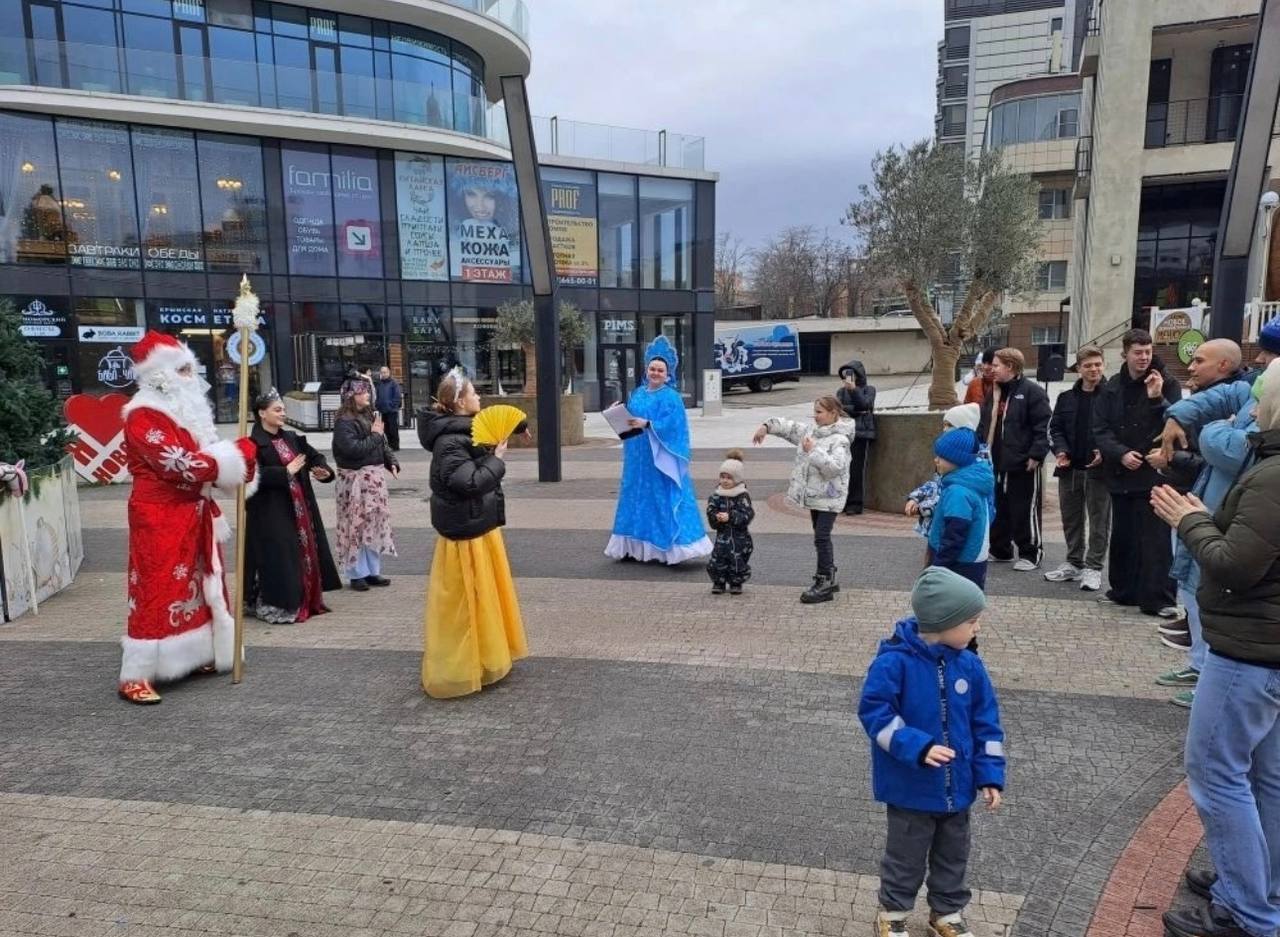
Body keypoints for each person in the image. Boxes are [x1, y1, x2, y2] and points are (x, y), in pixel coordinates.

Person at [1151, 357, 1280, 937]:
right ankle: (1254, 887)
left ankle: (1248, 913)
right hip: (1268, 650)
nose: (1253, 408)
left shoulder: (1273, 475)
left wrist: (1192, 520)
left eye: (1260, 399)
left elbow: (1237, 564)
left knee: (1216, 775)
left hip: (1249, 651)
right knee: (1266, 778)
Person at [859, 566, 1005, 937]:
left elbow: (986, 723)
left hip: (958, 791)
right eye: (971, 621)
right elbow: (876, 713)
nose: (977, 628)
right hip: (910, 789)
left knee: (953, 856)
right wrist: (917, 746)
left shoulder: (970, 664)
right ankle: (892, 914)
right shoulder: (894, 663)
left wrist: (989, 774)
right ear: (943, 623)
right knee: (905, 858)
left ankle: (947, 913)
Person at [117, 331, 256, 705]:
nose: (189, 377)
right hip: (158, 516)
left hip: (194, 512)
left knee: (198, 581)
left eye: (190, 369)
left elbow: (205, 457)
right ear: (156, 374)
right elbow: (178, 464)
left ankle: (195, 654)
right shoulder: (143, 416)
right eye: (181, 370)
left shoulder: (188, 414)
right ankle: (137, 671)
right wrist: (231, 459)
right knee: (157, 586)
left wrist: (238, 459)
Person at [1151, 338, 1269, 708]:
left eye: (1270, 353)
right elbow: (1215, 402)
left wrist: (1214, 428)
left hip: (1236, 516)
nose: (1261, 358)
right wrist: (1177, 416)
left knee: (1217, 592)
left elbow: (1236, 451)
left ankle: (1211, 679)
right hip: (1212, 507)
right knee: (1195, 591)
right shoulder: (1256, 385)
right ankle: (1200, 665)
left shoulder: (1269, 391)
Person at [417, 367, 528, 699]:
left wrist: (517, 425)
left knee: (482, 599)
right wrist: (498, 460)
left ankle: (484, 659)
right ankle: (459, 667)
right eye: (474, 394)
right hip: (465, 532)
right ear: (460, 402)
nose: (480, 397)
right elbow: (468, 482)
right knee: (466, 602)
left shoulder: (466, 431)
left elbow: (492, 426)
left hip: (477, 526)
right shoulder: (451, 442)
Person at [1093, 328, 1183, 617]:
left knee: (1155, 540)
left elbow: (1177, 421)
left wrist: (1157, 398)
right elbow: (1100, 428)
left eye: (1148, 352)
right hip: (1121, 472)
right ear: (1125, 354)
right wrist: (1120, 453)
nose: (1144, 357)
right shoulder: (1112, 386)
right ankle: (1123, 592)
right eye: (1138, 352)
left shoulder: (1167, 382)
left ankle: (1160, 598)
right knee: (1123, 537)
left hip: (1155, 473)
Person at [605, 335, 712, 565]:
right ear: (647, 370)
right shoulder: (638, 393)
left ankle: (670, 548)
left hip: (659, 456)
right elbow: (630, 422)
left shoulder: (672, 397)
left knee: (661, 497)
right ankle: (635, 547)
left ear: (667, 374)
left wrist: (649, 424)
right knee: (636, 497)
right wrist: (618, 412)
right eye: (652, 369)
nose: (655, 373)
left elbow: (676, 427)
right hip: (636, 455)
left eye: (660, 370)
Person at [243, 389, 340, 624]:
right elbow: (248, 475)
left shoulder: (292, 438)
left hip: (300, 506)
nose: (282, 414)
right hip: (271, 511)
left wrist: (323, 471)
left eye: (283, 409)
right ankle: (279, 602)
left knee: (304, 551)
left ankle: (306, 597)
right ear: (262, 413)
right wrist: (284, 472)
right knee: (280, 556)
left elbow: (314, 457)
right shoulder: (251, 444)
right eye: (277, 410)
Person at [752, 395, 855, 603]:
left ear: (833, 413)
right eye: (814, 411)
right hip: (815, 497)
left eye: (819, 412)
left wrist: (813, 451)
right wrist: (766, 426)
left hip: (830, 497)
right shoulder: (810, 431)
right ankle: (829, 575)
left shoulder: (840, 440)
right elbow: (789, 427)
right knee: (820, 536)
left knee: (821, 537)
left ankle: (824, 580)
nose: (815, 416)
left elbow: (835, 468)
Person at [977, 348, 1052, 571]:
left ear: (1010, 367)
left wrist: (1036, 455)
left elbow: (1043, 426)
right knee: (999, 506)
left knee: (1024, 508)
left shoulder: (1032, 392)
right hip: (996, 461)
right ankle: (1000, 549)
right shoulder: (994, 391)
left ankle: (1031, 553)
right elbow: (984, 424)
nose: (992, 368)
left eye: (997, 365)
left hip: (1023, 463)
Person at [1045, 345, 1110, 592]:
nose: (1094, 369)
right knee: (1071, 519)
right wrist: (1060, 451)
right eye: (1088, 365)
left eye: (1098, 364)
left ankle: (1093, 568)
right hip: (1070, 469)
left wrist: (1105, 451)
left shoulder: (1112, 395)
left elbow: (1117, 430)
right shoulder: (1066, 398)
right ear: (1079, 369)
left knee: (1099, 521)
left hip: (1100, 471)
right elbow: (1055, 428)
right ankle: (1074, 562)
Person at [332, 377, 399, 592]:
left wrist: (391, 461)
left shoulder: (368, 415)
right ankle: (356, 573)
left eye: (367, 391)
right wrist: (376, 436)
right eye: (363, 392)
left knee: (372, 525)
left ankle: (372, 571)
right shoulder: (344, 421)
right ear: (351, 396)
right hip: (355, 482)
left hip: (372, 480)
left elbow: (382, 443)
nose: (367, 395)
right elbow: (353, 450)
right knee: (355, 526)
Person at [905, 403, 989, 543]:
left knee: (948, 550)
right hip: (940, 523)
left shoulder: (966, 462)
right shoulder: (949, 453)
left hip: (953, 521)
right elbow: (936, 483)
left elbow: (948, 493)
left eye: (949, 425)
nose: (945, 430)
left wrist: (923, 508)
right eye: (944, 425)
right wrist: (915, 497)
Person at [926, 427, 994, 589]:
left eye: (942, 457)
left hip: (958, 564)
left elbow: (955, 533)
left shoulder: (958, 491)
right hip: (974, 560)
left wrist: (938, 567)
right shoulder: (977, 480)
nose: (936, 460)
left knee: (946, 609)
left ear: (957, 460)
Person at [706, 448, 754, 595]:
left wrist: (731, 517)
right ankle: (718, 582)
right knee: (718, 559)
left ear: (737, 479)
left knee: (738, 560)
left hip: (739, 538)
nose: (725, 481)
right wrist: (716, 517)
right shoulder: (716, 495)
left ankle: (736, 582)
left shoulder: (742, 495)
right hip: (722, 537)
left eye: (729, 478)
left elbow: (748, 514)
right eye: (723, 477)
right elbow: (710, 511)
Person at [836, 360, 876, 515]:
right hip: (843, 433)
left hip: (861, 434)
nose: (848, 378)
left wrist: (853, 391)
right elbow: (838, 409)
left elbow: (865, 405)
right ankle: (842, 501)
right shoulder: (840, 391)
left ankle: (855, 503)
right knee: (842, 468)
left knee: (856, 469)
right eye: (846, 375)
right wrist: (856, 411)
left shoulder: (869, 389)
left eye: (851, 374)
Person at [374, 366, 403, 452]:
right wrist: (378, 404)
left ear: (389, 372)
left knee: (393, 429)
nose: (383, 374)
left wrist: (392, 405)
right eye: (382, 372)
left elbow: (397, 396)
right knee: (386, 429)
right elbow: (378, 395)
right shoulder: (379, 384)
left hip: (392, 410)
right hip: (383, 410)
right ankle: (390, 445)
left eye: (385, 372)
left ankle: (395, 446)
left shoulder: (394, 383)